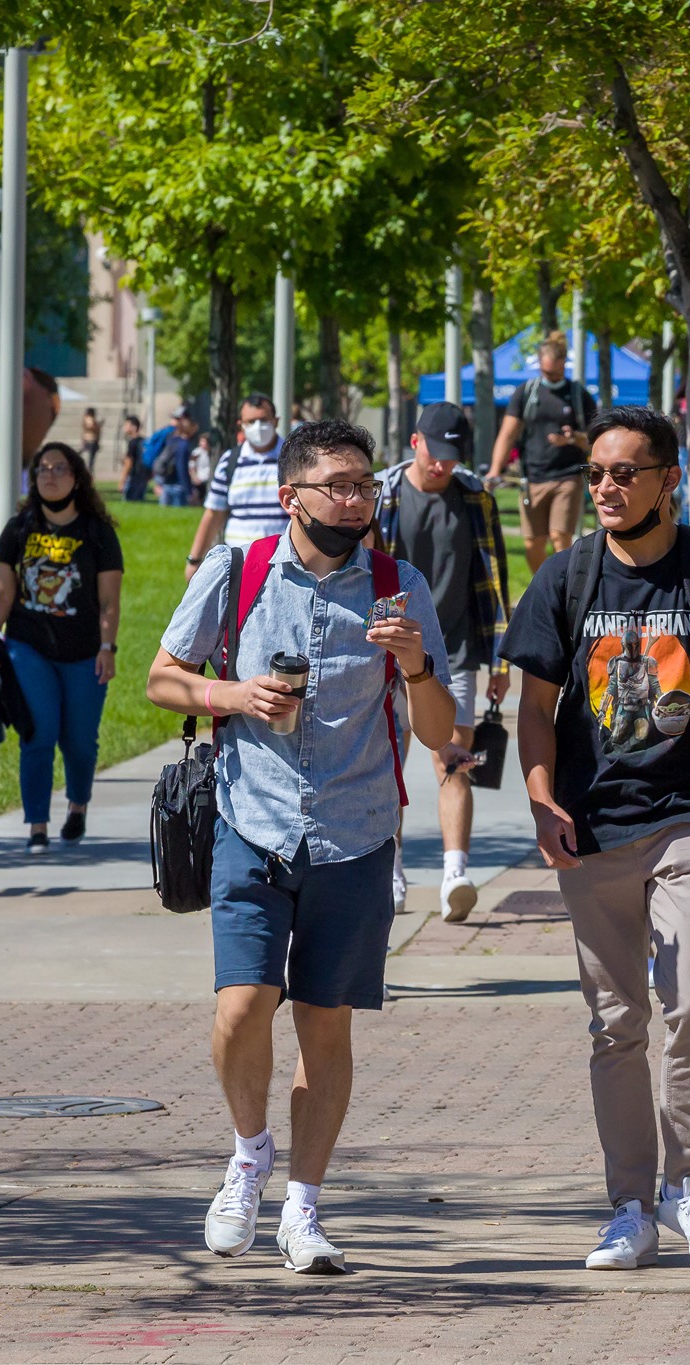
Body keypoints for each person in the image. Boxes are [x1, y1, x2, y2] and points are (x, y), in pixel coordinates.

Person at [147, 419, 466, 1276]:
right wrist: (235, 693)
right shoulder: (238, 570)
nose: (358, 500)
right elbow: (161, 676)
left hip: (356, 837)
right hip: (252, 823)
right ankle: (249, 1154)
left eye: (366, 485)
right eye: (340, 485)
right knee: (241, 1009)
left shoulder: (399, 587)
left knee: (326, 1029)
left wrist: (417, 670)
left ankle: (305, 1207)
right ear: (292, 496)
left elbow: (443, 737)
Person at [500, 405, 690, 1273]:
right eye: (596, 473)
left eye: (626, 473)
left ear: (670, 479)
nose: (607, 488)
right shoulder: (566, 577)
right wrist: (543, 798)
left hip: (689, 818)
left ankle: (689, 1187)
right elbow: (535, 710)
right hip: (591, 829)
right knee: (616, 1022)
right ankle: (629, 1204)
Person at [374, 400, 514, 920]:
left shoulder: (475, 496)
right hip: (387, 649)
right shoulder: (383, 495)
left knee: (453, 757)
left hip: (453, 649)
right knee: (385, 763)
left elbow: (495, 576)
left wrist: (500, 660)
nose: (443, 465)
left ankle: (455, 873)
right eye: (437, 454)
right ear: (416, 442)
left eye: (453, 457)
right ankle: (391, 869)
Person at [0, 442, 123, 855]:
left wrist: (107, 646)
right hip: (29, 646)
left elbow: (109, 600)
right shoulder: (19, 528)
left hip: (84, 651)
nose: (49, 476)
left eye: (59, 468)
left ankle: (77, 806)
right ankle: (37, 824)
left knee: (79, 742)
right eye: (42, 469)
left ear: (77, 477)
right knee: (37, 734)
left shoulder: (97, 533)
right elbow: (3, 592)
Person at [492, 333, 597, 570]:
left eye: (556, 372)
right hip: (533, 477)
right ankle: (543, 588)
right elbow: (508, 434)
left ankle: (565, 591)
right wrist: (495, 469)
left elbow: (594, 440)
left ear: (564, 364)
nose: (551, 376)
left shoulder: (579, 395)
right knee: (533, 543)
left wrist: (573, 438)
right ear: (539, 364)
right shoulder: (527, 393)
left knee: (560, 537)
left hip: (567, 477)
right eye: (546, 372)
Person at [187, 394, 286, 578]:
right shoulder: (229, 461)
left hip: (284, 568)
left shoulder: (294, 460)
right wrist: (195, 559)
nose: (258, 427)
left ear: (276, 421)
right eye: (251, 421)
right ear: (241, 425)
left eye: (264, 420)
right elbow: (214, 513)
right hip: (240, 567)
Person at [152, 406, 199, 508]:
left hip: (166, 484)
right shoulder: (183, 444)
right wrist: (189, 491)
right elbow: (181, 468)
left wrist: (158, 483)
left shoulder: (170, 438)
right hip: (178, 487)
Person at [119, 415, 149, 501]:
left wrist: (122, 480)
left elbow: (129, 462)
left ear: (134, 427)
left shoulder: (132, 442)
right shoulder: (144, 441)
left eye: (126, 425)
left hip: (133, 476)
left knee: (130, 500)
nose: (124, 427)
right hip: (143, 476)